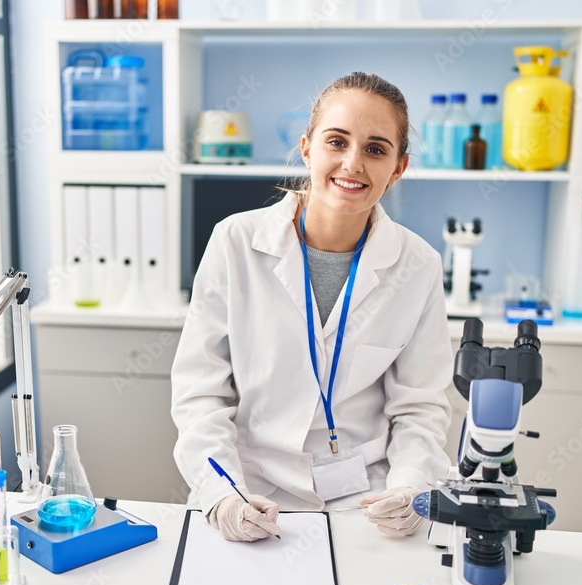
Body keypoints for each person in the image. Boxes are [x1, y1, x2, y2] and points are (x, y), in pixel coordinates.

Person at [171, 72, 452, 542]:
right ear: (307, 148)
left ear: (398, 168)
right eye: (337, 141)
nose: (352, 163)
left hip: (366, 502)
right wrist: (220, 492)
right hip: (251, 489)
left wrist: (411, 488)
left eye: (376, 149)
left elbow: (420, 409)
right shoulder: (236, 242)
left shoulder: (418, 266)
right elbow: (202, 394)